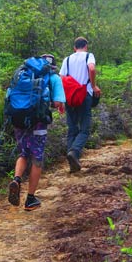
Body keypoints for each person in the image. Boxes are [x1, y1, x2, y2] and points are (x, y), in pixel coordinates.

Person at [8, 54, 65, 211]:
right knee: (37, 158)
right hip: (38, 122)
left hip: (19, 119)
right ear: (53, 66)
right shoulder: (53, 78)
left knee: (23, 154)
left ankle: (17, 180)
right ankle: (30, 199)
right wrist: (52, 103)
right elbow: (59, 102)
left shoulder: (22, 73)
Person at [59, 37, 100, 173]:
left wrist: (61, 99)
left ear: (74, 47)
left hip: (70, 97)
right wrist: (93, 86)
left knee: (72, 129)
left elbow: (61, 78)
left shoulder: (67, 59)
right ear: (86, 46)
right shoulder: (89, 56)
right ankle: (74, 152)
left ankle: (72, 163)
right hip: (84, 95)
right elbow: (92, 69)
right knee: (85, 129)